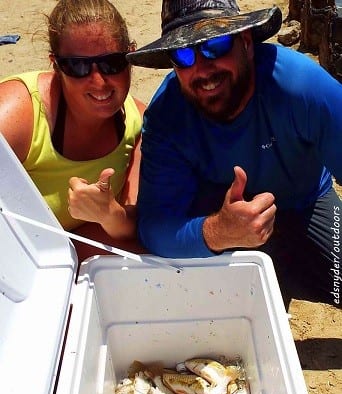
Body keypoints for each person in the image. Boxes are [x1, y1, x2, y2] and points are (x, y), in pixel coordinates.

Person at [127, 0, 342, 307]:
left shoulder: (304, 87)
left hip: (306, 203)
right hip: (215, 213)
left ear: (245, 42)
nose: (202, 68)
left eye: (216, 44)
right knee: (211, 318)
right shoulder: (166, 116)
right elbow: (155, 227)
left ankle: (286, 269)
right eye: (183, 54)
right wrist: (218, 232)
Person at [0, 0, 145, 261]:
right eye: (77, 66)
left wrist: (109, 214)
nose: (99, 81)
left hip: (67, 248)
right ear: (56, 65)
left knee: (150, 256)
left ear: (131, 56)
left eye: (112, 63)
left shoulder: (140, 124)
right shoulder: (17, 115)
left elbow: (133, 227)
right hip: (14, 256)